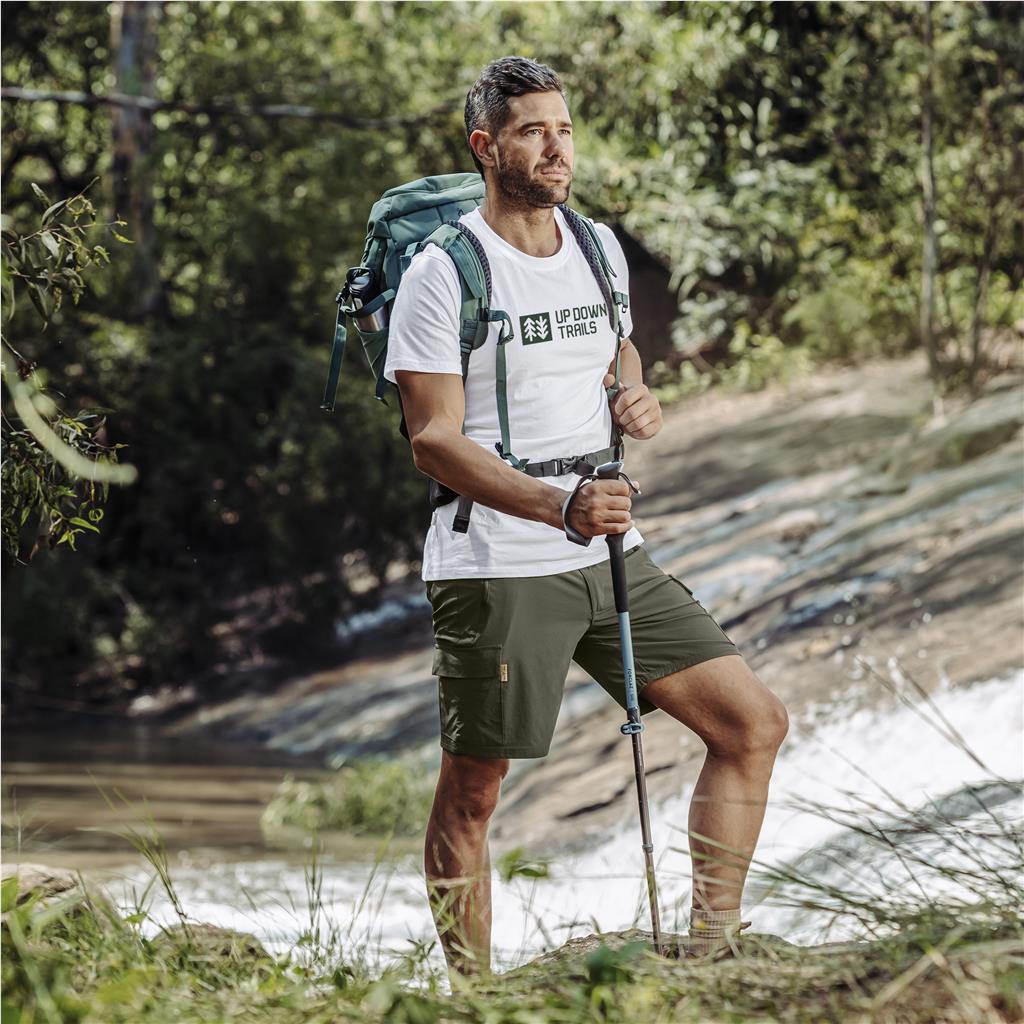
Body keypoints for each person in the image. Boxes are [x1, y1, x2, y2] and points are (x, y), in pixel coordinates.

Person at [384, 56, 789, 978]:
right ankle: (475, 996)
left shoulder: (598, 245)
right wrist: (558, 505)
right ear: (486, 147)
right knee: (475, 791)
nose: (556, 147)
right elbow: (433, 440)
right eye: (532, 131)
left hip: (609, 547)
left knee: (751, 724)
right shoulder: (443, 273)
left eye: (563, 129)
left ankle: (713, 952)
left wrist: (633, 393)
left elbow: (618, 353)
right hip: (496, 562)